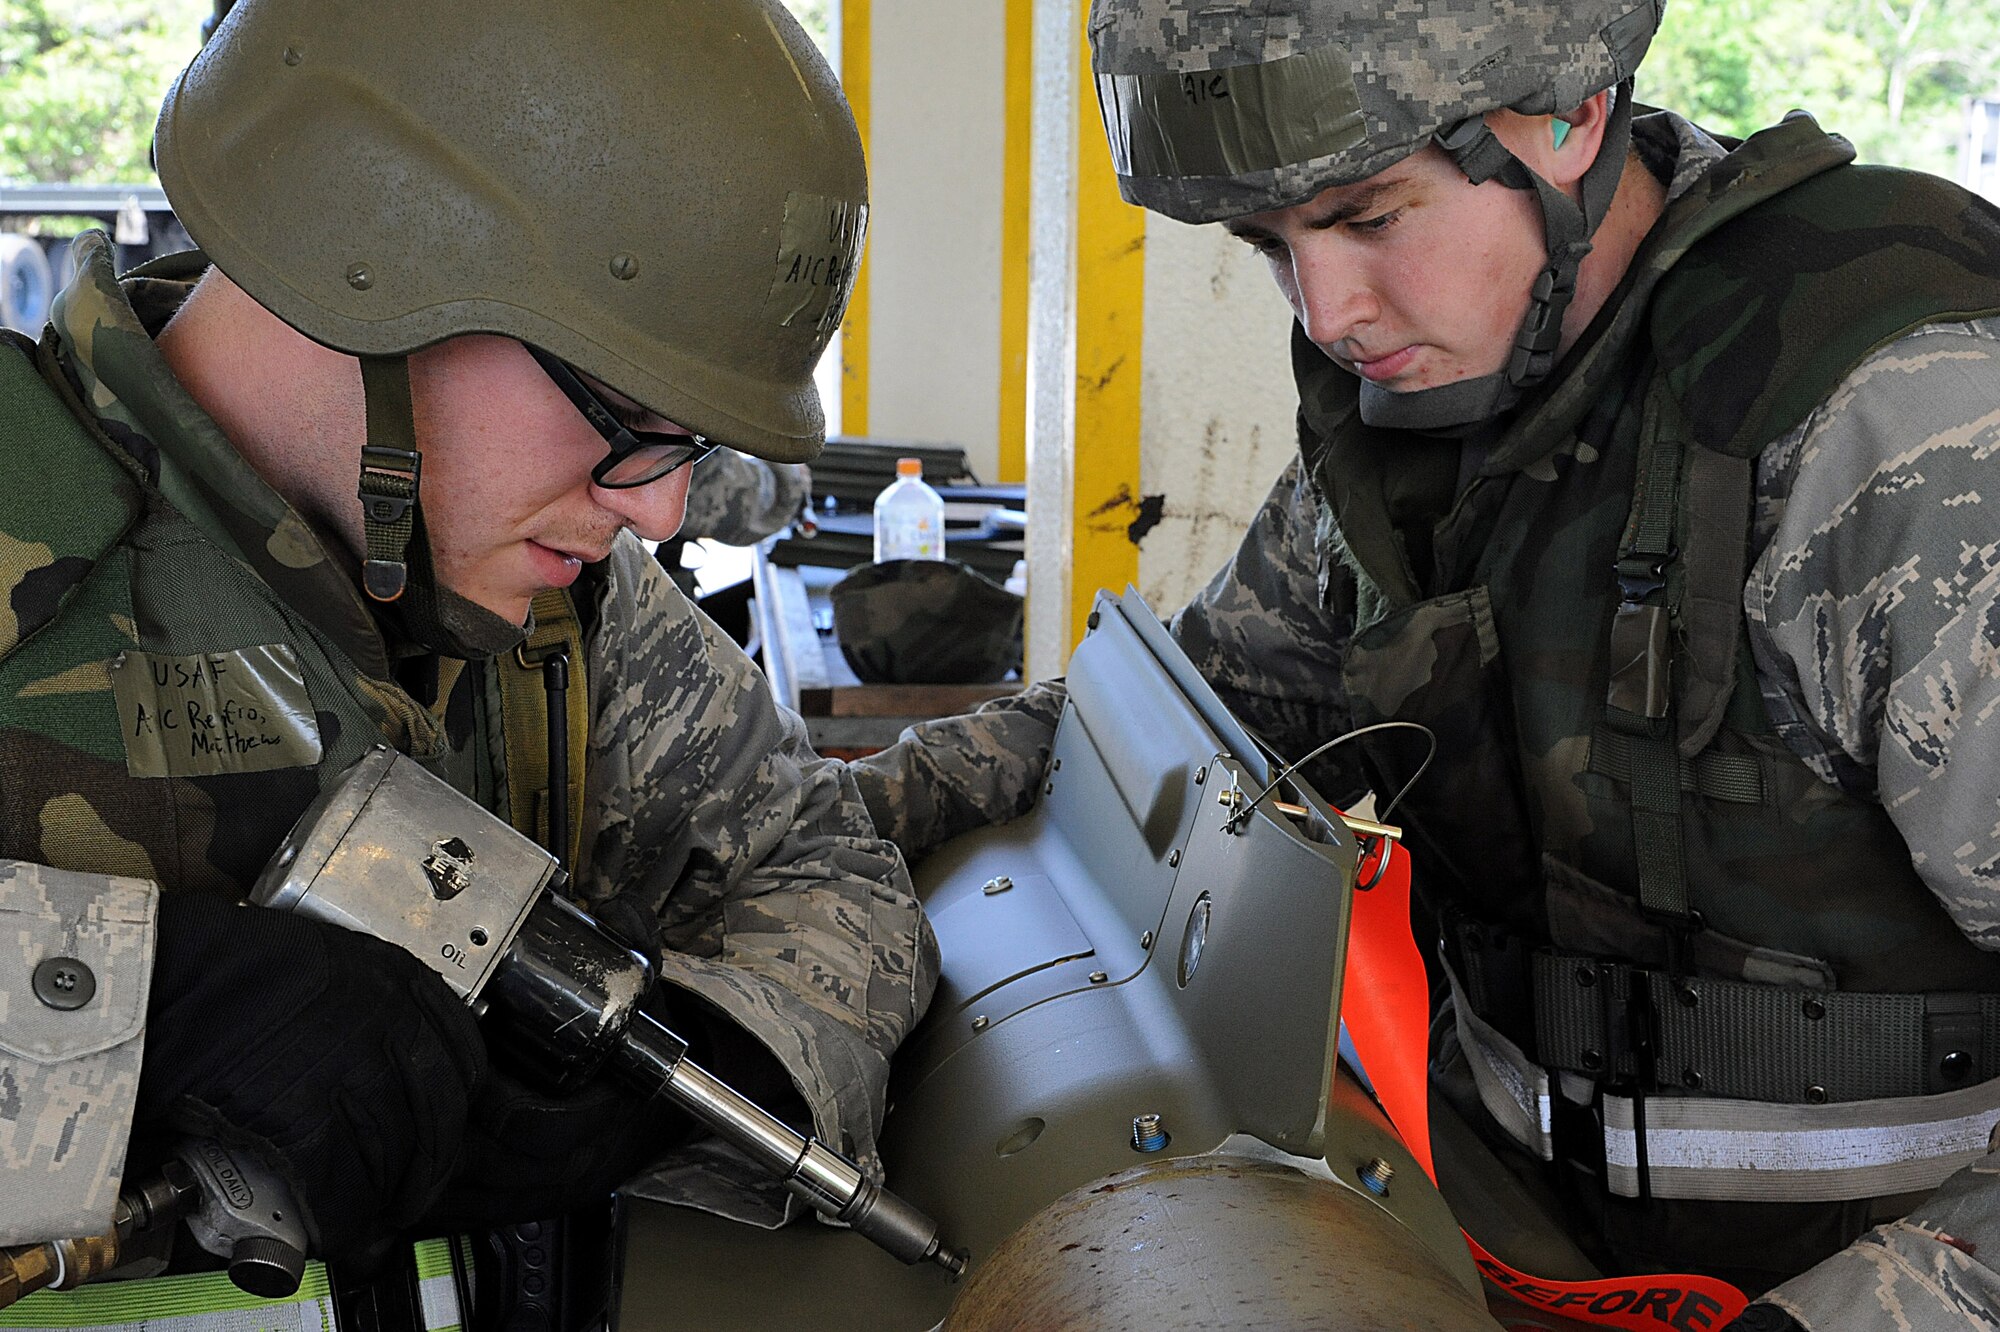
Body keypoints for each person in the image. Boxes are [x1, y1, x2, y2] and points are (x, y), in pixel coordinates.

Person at [852, 1, 2000, 1326]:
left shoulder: (1907, 416)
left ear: (1566, 120)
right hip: (1508, 1235)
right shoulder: (1426, 405)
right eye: (1269, 247)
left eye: (1367, 217)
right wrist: (835, 825)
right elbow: (1188, 718)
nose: (1332, 313)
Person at [0, 0, 931, 1309]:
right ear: (368, 274)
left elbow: (810, 853)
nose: (660, 512)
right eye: (628, 414)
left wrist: (720, 1069)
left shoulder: (557, 602)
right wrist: (113, 1015)